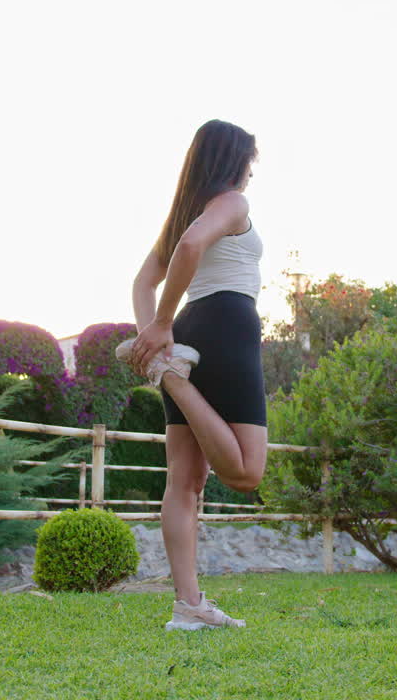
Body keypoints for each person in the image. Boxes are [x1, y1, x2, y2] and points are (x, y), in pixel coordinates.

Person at [118, 119, 267, 630]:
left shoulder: (185, 211)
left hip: (189, 334)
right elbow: (189, 249)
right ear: (234, 161)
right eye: (250, 160)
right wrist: (158, 329)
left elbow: (142, 280)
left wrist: (156, 335)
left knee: (184, 481)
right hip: (226, 326)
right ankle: (171, 375)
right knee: (245, 472)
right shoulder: (230, 204)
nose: (251, 172)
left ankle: (189, 606)